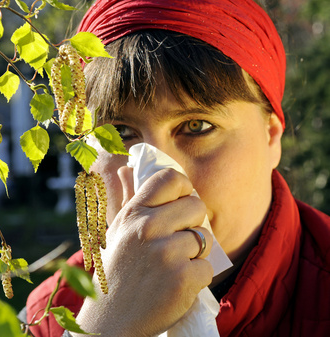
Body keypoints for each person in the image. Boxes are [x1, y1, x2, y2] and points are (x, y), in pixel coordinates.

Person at [23, 0, 330, 336]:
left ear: (271, 137)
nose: (156, 179)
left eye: (197, 126)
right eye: (120, 132)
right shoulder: (51, 316)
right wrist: (105, 325)